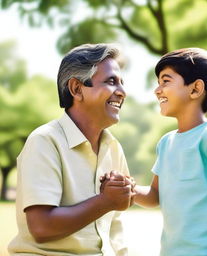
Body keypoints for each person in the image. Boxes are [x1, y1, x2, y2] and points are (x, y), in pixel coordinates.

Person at [102, 48, 207, 256]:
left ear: (195, 89)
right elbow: (154, 196)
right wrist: (126, 187)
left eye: (165, 81)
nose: (157, 90)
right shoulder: (166, 143)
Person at [8, 43, 134, 256]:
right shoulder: (45, 141)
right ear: (76, 89)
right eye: (111, 81)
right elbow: (41, 227)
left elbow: (113, 228)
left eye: (121, 83)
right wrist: (106, 201)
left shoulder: (113, 148)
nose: (122, 92)